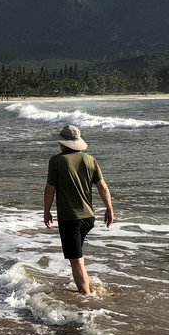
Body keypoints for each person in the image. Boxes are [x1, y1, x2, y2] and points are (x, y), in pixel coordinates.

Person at [43, 125, 114, 295]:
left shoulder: (56, 161)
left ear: (63, 143)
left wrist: (46, 211)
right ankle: (87, 289)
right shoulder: (90, 160)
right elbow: (102, 186)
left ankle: (87, 300)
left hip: (70, 219)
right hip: (88, 217)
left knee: (76, 261)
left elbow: (50, 189)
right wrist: (109, 209)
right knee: (78, 258)